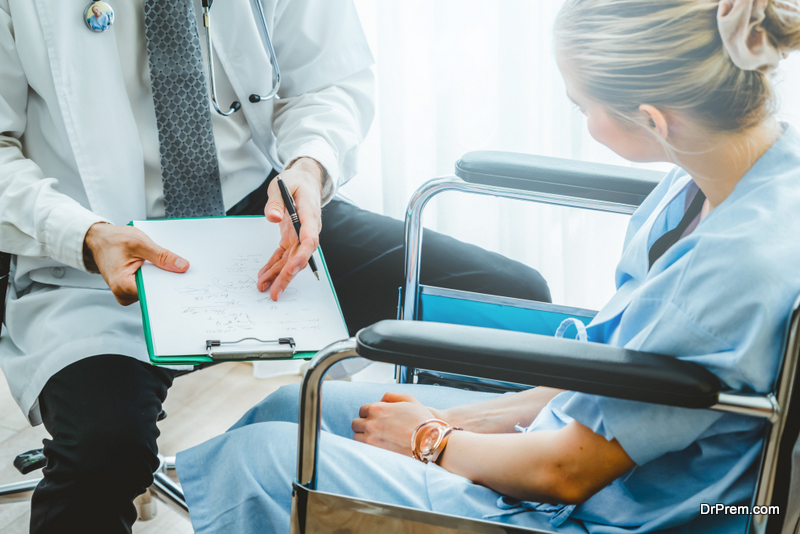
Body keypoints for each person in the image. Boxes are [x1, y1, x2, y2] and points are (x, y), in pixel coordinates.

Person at [175, 0, 800, 532]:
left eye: (584, 107)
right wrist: (468, 418)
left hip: (610, 510)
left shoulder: (723, 274)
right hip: (578, 442)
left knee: (267, 461)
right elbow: (621, 366)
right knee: (290, 411)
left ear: (654, 120)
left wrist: (434, 442)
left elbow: (567, 471)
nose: (583, 121)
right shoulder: (734, 173)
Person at [0, 0, 549, 532]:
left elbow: (329, 80)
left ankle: (445, 496)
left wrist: (309, 165)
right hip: (92, 244)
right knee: (104, 449)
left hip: (262, 215)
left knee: (503, 302)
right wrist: (83, 234)